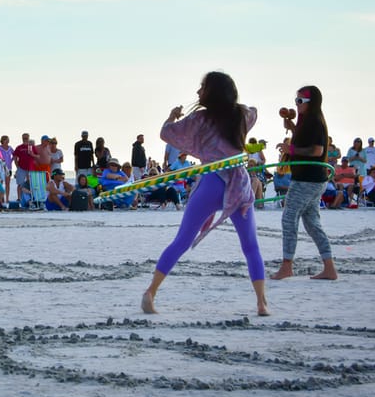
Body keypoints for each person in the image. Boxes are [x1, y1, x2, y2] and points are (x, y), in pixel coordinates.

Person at [142, 71, 268, 316]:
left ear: (213, 92)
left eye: (202, 87)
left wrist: (172, 116)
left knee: (182, 241)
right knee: (251, 246)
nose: (198, 92)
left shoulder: (200, 119)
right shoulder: (242, 114)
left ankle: (150, 293)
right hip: (238, 183)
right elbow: (254, 111)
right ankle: (262, 303)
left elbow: (166, 133)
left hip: (212, 182)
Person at [270, 85, 338, 281]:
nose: (297, 104)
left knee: (289, 218)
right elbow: (299, 135)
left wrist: (290, 150)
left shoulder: (315, 122)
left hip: (307, 179)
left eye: (301, 101)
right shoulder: (307, 122)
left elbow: (316, 151)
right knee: (312, 224)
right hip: (314, 179)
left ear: (312, 103)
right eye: (296, 101)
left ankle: (286, 266)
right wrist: (289, 122)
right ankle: (329, 268)